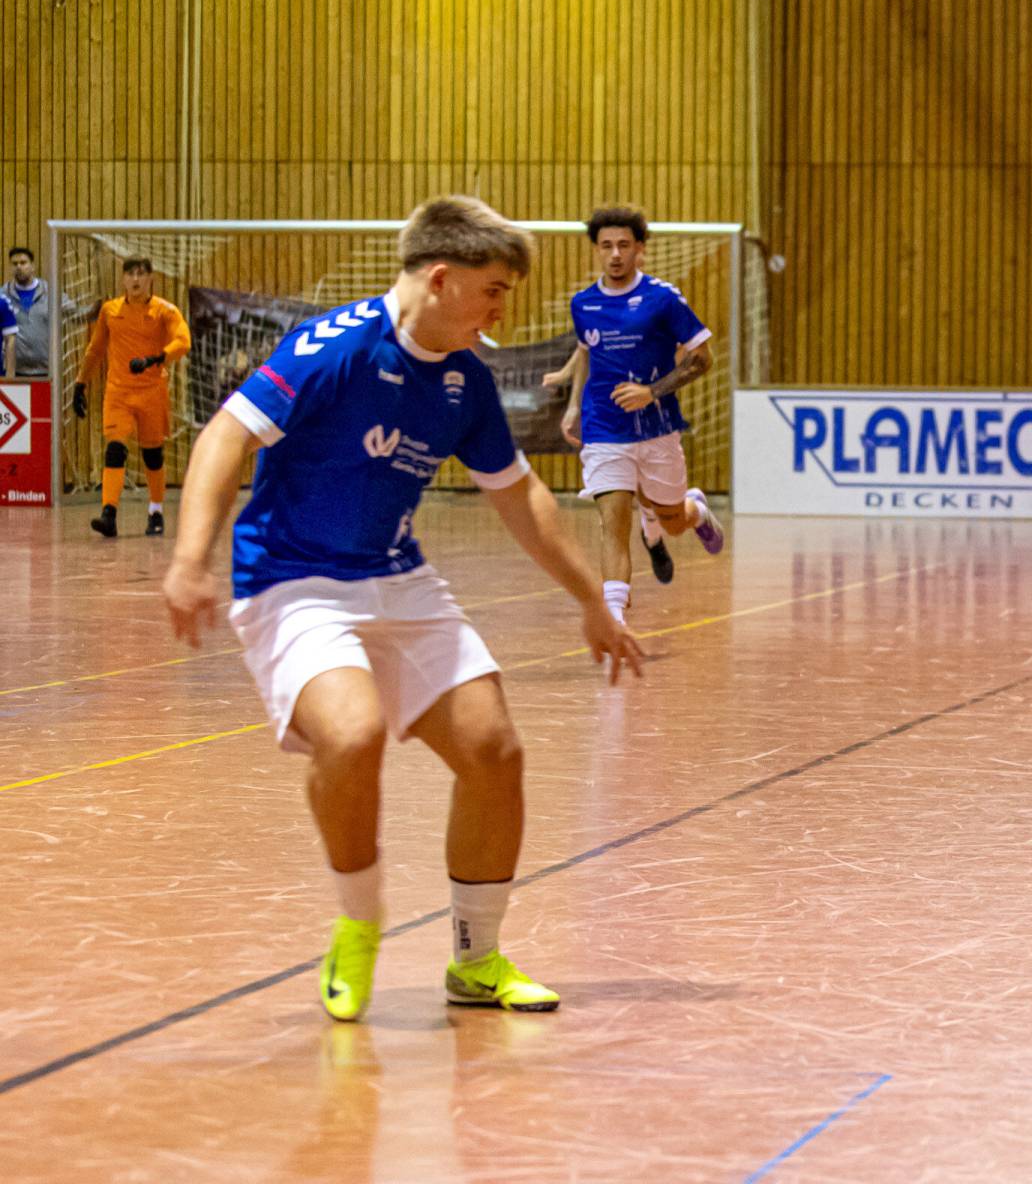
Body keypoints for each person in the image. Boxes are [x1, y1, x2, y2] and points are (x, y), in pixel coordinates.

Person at [160, 196, 646, 1023]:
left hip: (398, 575)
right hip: (294, 580)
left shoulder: (465, 379)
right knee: (351, 737)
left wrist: (591, 600)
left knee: (493, 751)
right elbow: (225, 437)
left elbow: (519, 494)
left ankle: (477, 961)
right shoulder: (336, 347)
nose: (502, 311)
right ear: (442, 278)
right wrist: (188, 559)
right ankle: (358, 924)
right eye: (494, 291)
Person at [547, 205, 725, 627]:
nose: (615, 254)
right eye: (606, 245)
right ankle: (615, 620)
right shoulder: (583, 304)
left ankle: (695, 511)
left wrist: (651, 392)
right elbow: (587, 353)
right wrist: (574, 406)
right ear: (596, 249)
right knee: (613, 521)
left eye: (624, 245)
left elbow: (702, 359)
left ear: (640, 249)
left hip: (657, 428)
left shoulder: (663, 298)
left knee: (673, 521)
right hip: (605, 428)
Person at [73, 257, 191, 537]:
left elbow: (183, 341)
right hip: (119, 392)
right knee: (114, 448)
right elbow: (95, 350)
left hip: (152, 392)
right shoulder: (110, 310)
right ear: (123, 278)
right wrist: (80, 383)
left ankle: (156, 510)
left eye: (141, 274)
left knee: (153, 454)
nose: (135, 279)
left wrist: (155, 358)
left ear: (151, 278)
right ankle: (109, 514)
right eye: (130, 274)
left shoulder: (164, 310)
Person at [2, 246, 53, 378]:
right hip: (13, 373)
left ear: (32, 266)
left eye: (23, 263)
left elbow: (75, 313)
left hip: (45, 371)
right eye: (15, 264)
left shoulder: (51, 293)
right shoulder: (3, 296)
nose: (19, 267)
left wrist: (95, 308)